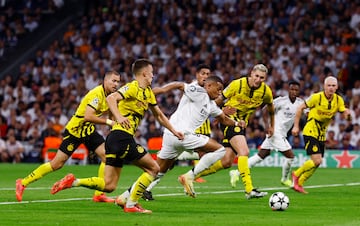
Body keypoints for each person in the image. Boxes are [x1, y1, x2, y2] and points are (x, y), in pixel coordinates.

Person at [50, 59, 184, 214]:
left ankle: (74, 182)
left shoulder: (147, 93)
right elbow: (111, 98)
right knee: (154, 168)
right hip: (121, 137)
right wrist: (119, 117)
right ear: (145, 74)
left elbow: (159, 116)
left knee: (109, 185)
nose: (153, 76)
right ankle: (131, 204)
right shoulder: (132, 87)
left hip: (116, 139)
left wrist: (174, 131)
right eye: (152, 73)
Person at [117, 74, 241, 202]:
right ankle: (189, 176)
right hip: (182, 135)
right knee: (220, 150)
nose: (220, 92)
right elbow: (179, 85)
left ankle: (124, 197)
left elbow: (224, 119)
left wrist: (237, 123)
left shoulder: (211, 105)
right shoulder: (199, 91)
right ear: (208, 86)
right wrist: (161, 90)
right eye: (218, 88)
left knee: (156, 171)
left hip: (171, 136)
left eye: (222, 90)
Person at [15, 70, 121, 202]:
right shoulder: (96, 94)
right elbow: (88, 116)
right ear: (105, 80)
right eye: (113, 81)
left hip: (88, 131)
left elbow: (111, 110)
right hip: (75, 131)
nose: (116, 84)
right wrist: (109, 122)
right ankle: (22, 182)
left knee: (107, 157)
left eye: (118, 81)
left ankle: (99, 195)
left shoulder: (111, 96)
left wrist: (112, 126)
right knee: (56, 164)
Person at [141, 64, 223, 201]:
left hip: (184, 130)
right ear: (197, 74)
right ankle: (187, 172)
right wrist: (161, 90)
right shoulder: (195, 87)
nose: (205, 76)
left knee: (164, 166)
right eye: (203, 73)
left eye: (208, 74)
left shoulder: (207, 93)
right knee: (212, 151)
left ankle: (142, 190)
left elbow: (214, 105)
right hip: (180, 131)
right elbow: (179, 85)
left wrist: (225, 114)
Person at [194, 64, 274, 199]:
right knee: (244, 152)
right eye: (256, 76)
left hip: (242, 124)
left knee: (226, 162)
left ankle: (190, 175)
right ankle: (249, 189)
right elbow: (218, 101)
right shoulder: (237, 84)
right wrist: (221, 113)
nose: (258, 79)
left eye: (262, 78)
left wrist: (271, 125)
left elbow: (271, 108)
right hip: (228, 120)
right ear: (251, 74)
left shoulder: (266, 91)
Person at [229, 80, 304, 188]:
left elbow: (308, 112)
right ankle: (284, 179)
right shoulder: (280, 101)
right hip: (275, 132)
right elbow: (265, 110)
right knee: (290, 156)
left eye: (296, 90)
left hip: (282, 133)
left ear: (299, 91)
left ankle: (236, 172)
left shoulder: (300, 103)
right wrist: (267, 126)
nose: (293, 92)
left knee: (262, 155)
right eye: (292, 89)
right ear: (288, 89)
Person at [291, 76, 351, 194]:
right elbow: (300, 108)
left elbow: (344, 112)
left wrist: (347, 115)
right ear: (324, 86)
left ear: (337, 87)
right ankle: (296, 174)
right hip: (311, 130)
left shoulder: (338, 100)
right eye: (329, 85)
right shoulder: (316, 97)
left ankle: (300, 183)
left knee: (317, 163)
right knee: (317, 160)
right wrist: (296, 126)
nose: (331, 88)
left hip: (322, 134)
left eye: (333, 86)